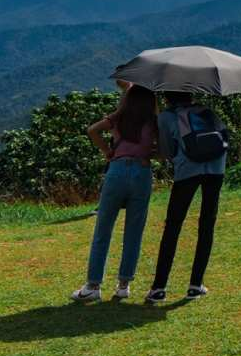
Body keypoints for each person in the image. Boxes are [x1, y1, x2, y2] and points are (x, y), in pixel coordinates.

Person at [71, 84, 158, 303]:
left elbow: (92, 130)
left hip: (117, 171)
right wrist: (148, 153)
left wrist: (108, 151)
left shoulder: (119, 118)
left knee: (103, 230)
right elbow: (165, 149)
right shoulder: (154, 121)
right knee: (134, 231)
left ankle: (93, 285)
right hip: (142, 172)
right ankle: (123, 285)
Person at [147, 91, 228, 303]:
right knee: (207, 223)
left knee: (173, 225)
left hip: (187, 172)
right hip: (216, 169)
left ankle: (159, 288)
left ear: (166, 95)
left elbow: (167, 152)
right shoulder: (207, 111)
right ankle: (195, 285)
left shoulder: (166, 116)